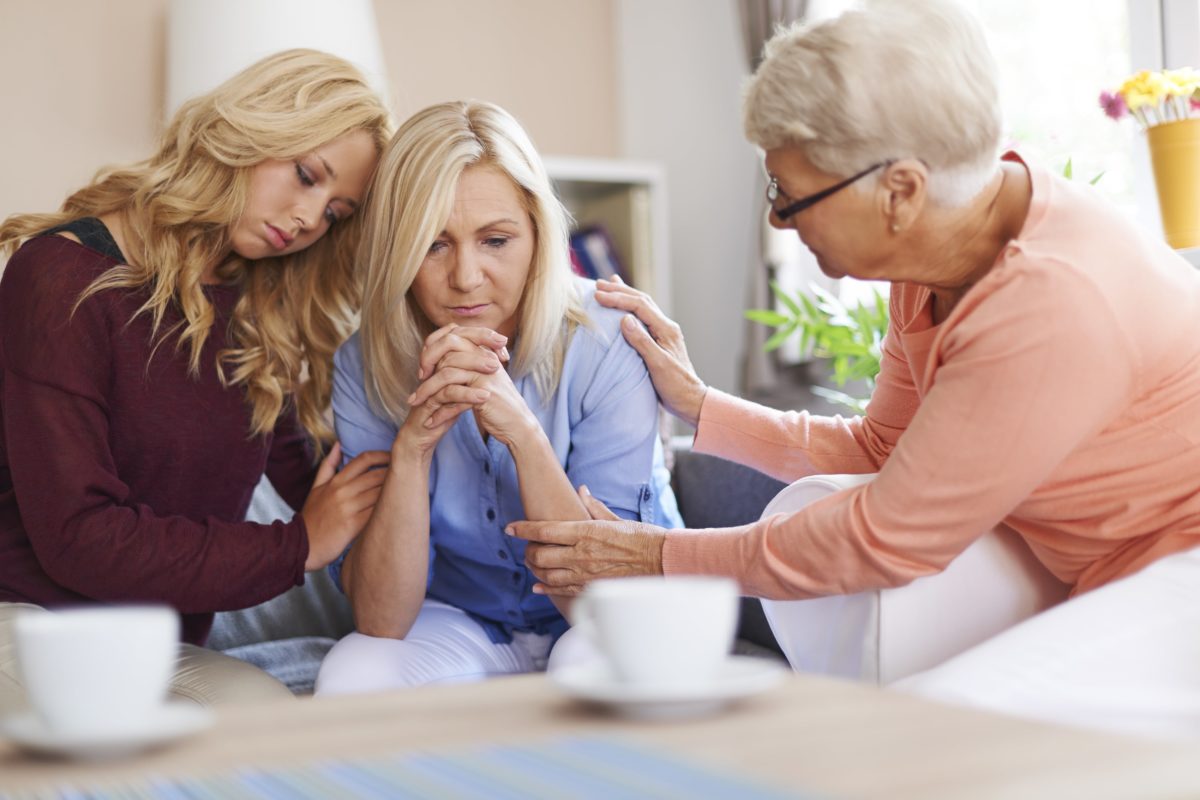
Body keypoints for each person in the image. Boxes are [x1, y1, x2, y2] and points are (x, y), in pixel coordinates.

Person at [508, 0, 1200, 738]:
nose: (778, 220)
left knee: (942, 725)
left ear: (900, 191)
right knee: (811, 512)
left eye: (791, 194)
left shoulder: (1051, 303)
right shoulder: (939, 253)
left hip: (1181, 570)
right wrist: (700, 405)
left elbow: (885, 537)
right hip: (1094, 562)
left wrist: (657, 557)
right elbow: (883, 453)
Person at [0, 49, 393, 710]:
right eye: (305, 175)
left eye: (335, 213)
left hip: (157, 648)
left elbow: (324, 482)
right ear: (250, 132)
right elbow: (80, 539)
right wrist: (297, 547)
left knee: (271, 731)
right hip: (29, 628)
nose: (306, 218)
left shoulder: (254, 314)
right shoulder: (57, 277)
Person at [313, 101, 681, 694]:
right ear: (398, 249)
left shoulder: (611, 340)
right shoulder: (364, 360)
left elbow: (606, 607)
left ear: (538, 234)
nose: (465, 277)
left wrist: (524, 435)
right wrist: (413, 449)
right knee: (354, 672)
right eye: (433, 245)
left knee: (598, 665)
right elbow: (381, 620)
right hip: (465, 619)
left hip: (608, 614)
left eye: (495, 240)